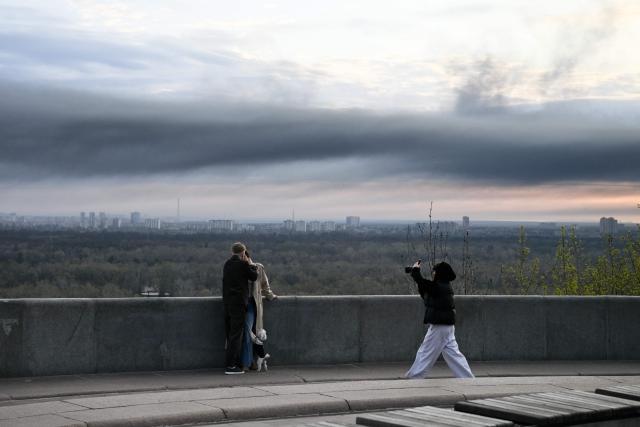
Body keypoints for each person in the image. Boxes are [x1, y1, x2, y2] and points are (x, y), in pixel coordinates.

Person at [405, 260, 474, 379]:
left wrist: (416, 271)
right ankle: (468, 378)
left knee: (426, 353)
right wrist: (415, 274)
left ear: (440, 273)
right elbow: (427, 295)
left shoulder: (440, 287)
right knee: (454, 356)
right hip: (447, 327)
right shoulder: (444, 287)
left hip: (439, 327)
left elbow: (424, 283)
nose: (433, 273)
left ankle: (414, 377)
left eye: (435, 271)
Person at [222, 242, 258, 375]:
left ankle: (234, 363)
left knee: (230, 333)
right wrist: (251, 264)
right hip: (239, 304)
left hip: (227, 303)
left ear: (232, 252)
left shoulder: (227, 264)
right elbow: (254, 277)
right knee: (236, 335)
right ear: (243, 253)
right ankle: (231, 366)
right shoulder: (243, 265)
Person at [240, 251, 278, 372]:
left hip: (255, 304)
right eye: (240, 256)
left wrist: (271, 296)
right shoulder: (239, 269)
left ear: (248, 256)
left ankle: (253, 361)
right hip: (244, 305)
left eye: (243, 256)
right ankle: (248, 362)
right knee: (248, 332)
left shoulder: (258, 267)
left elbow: (265, 285)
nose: (242, 258)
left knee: (255, 333)